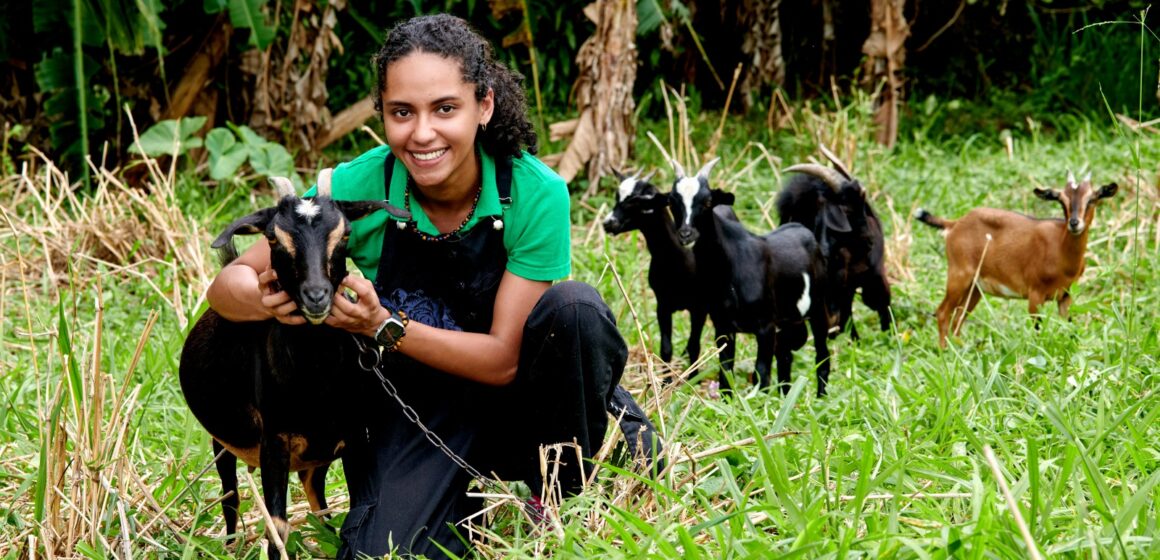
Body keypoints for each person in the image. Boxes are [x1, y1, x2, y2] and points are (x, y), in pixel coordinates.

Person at [206, 13, 662, 559]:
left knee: (575, 311)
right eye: (402, 112)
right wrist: (263, 300)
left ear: (483, 106)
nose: (422, 133)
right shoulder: (358, 187)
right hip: (419, 409)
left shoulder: (534, 192)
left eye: (445, 108)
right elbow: (225, 286)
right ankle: (450, 496)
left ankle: (556, 490)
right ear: (383, 116)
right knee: (385, 552)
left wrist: (381, 325)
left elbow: (502, 360)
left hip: (523, 401)